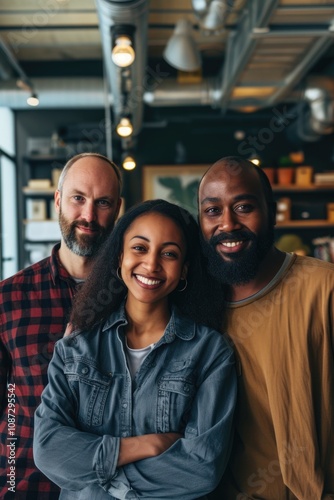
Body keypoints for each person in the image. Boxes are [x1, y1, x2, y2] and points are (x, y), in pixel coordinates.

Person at [33, 199, 237, 499]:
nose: (151, 264)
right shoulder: (76, 347)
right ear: (119, 257)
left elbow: (202, 467)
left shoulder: (210, 352)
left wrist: (97, 473)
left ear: (183, 270)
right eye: (139, 248)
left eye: (169, 254)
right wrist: (146, 446)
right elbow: (49, 450)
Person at [198, 156, 334, 499]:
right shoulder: (194, 307)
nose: (227, 224)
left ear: (270, 211)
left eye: (243, 207)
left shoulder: (323, 289)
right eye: (212, 211)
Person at [0, 152, 122, 498]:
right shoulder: (8, 299)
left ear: (118, 209)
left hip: (109, 491)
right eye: (78, 198)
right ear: (57, 200)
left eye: (103, 203)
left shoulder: (137, 298)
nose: (88, 215)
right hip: (26, 488)